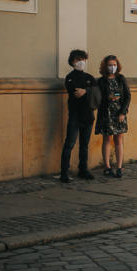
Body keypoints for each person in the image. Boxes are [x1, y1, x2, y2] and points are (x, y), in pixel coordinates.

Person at [60, 50, 97, 183]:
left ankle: (83, 169)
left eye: (83, 59)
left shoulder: (90, 77)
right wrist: (88, 91)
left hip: (88, 115)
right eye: (78, 59)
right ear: (72, 61)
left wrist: (86, 91)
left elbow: (97, 92)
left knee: (84, 144)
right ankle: (64, 171)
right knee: (69, 143)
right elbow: (75, 91)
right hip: (75, 115)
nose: (81, 62)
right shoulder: (70, 77)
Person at [95, 55, 131, 178]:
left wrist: (123, 112)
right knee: (106, 139)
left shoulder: (121, 79)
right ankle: (107, 167)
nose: (112, 67)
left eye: (114, 65)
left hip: (119, 113)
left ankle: (119, 167)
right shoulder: (101, 80)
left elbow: (127, 96)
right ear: (105, 66)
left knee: (118, 140)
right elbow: (97, 97)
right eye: (110, 65)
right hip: (106, 113)